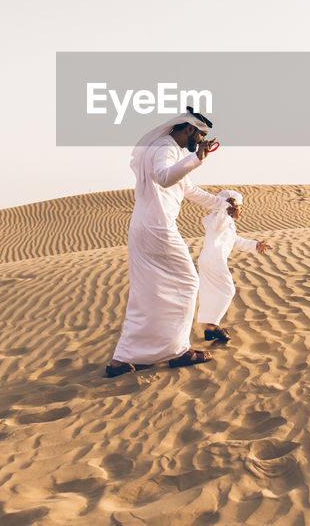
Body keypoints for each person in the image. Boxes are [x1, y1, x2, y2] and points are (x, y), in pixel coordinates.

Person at [105, 107, 222, 378]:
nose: (201, 139)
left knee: (147, 293)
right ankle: (179, 351)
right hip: (157, 228)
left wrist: (219, 204)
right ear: (189, 128)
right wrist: (197, 159)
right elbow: (164, 178)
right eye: (200, 134)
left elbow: (187, 188)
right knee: (188, 282)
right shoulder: (165, 148)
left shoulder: (169, 150)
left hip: (144, 227)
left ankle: (123, 359)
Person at [197, 190, 270, 344]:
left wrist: (254, 245)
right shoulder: (218, 219)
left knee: (213, 293)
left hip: (210, 260)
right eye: (239, 206)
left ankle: (210, 329)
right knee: (228, 290)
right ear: (231, 205)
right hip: (213, 260)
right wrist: (225, 208)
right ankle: (212, 326)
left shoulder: (227, 223)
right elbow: (218, 225)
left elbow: (234, 241)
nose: (241, 210)